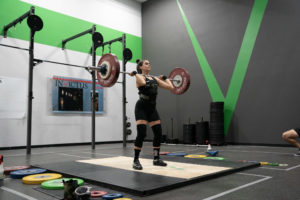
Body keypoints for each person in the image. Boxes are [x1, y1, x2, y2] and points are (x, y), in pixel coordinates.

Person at [129, 59, 174, 170]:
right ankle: (135, 160)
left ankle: (156, 158)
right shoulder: (139, 78)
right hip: (141, 107)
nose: (149, 64)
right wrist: (135, 74)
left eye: (149, 63)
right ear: (140, 67)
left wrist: (166, 78)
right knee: (142, 134)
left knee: (158, 133)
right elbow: (143, 83)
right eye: (146, 63)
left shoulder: (154, 79)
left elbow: (170, 87)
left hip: (152, 108)